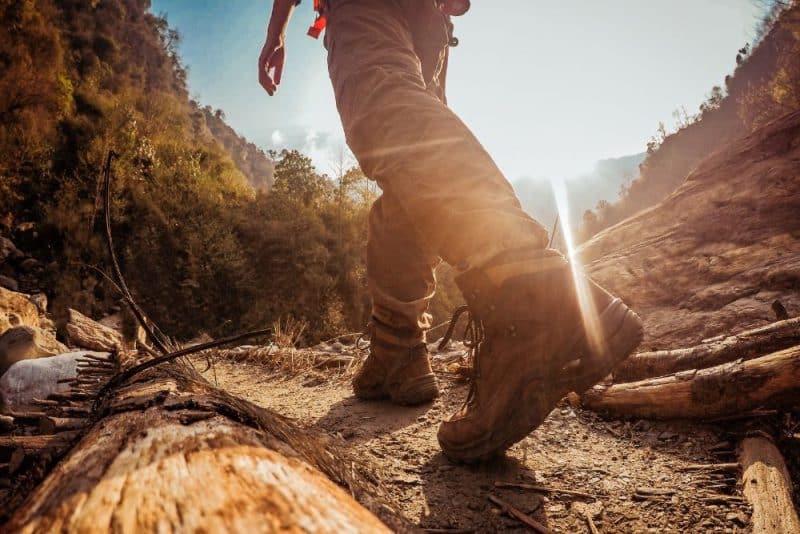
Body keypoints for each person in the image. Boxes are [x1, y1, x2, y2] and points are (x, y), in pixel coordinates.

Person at [259, 0, 643, 463]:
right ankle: (396, 348)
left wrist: (275, 32)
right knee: (410, 177)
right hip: (428, 20)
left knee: (384, 113)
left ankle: (531, 298)